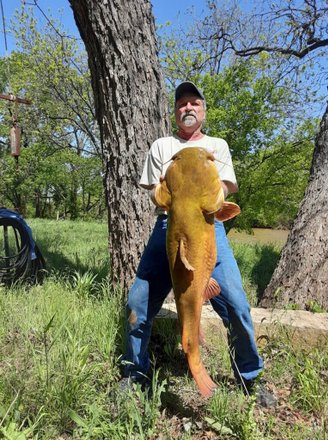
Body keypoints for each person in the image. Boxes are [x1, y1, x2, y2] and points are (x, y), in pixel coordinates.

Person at [121, 81, 264, 395]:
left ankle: (250, 377)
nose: (188, 108)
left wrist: (210, 197)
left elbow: (224, 189)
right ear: (175, 112)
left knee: (237, 305)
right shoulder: (161, 146)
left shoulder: (218, 145)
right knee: (137, 303)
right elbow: (155, 193)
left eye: (194, 103)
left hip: (208, 230)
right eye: (181, 104)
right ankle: (134, 374)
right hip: (167, 232)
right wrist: (162, 191)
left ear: (203, 111)